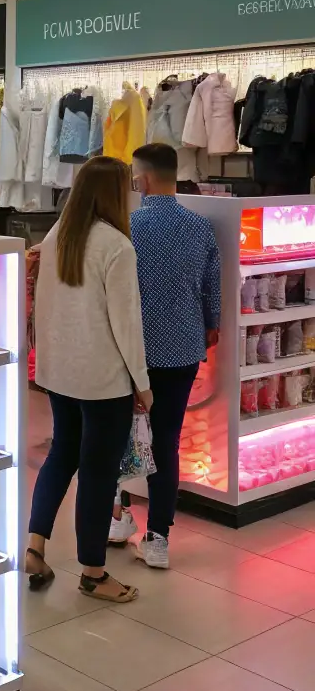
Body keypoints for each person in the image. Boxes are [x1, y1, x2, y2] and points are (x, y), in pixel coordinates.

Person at [27, 156, 151, 603]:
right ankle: (94, 572)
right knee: (98, 474)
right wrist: (144, 383)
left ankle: (35, 547)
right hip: (103, 379)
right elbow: (127, 324)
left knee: (62, 454)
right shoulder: (117, 246)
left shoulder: (58, 235)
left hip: (59, 371)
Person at [108, 141, 221, 568]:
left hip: (132, 350)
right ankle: (158, 538)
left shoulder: (128, 228)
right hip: (183, 349)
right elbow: (213, 289)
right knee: (167, 441)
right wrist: (210, 327)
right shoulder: (200, 227)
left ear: (144, 179)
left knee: (119, 433)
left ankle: (119, 516)